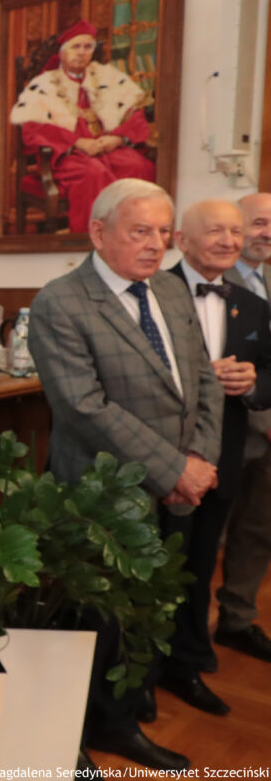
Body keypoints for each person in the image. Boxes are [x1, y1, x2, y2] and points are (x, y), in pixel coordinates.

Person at [28, 178, 222, 772]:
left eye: (164, 233)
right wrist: (173, 467)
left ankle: (118, 721)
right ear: (98, 232)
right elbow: (84, 407)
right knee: (97, 621)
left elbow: (203, 381)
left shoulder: (167, 290)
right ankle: (68, 735)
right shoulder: (60, 301)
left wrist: (199, 464)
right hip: (102, 494)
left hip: (177, 491)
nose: (156, 245)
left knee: (148, 612)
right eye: (141, 231)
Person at [162, 200, 271, 713]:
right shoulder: (152, 292)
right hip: (159, 455)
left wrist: (253, 384)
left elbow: (269, 374)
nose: (230, 240)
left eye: (235, 230)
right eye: (216, 231)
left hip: (222, 453)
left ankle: (187, 657)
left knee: (203, 560)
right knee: (159, 562)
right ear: (181, 239)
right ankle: (141, 666)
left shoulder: (252, 305)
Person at [9, 19, 156, 233]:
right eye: (75, 47)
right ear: (62, 52)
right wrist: (77, 142)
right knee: (93, 172)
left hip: (107, 148)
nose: (82, 52)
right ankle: (95, 238)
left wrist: (117, 138)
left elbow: (134, 114)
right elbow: (34, 128)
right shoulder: (44, 84)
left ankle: (134, 233)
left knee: (138, 166)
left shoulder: (108, 77)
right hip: (67, 154)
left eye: (87, 47)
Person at [216, 192, 271, 663]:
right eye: (257, 222)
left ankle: (236, 620)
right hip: (230, 430)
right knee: (205, 535)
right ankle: (178, 632)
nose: (266, 233)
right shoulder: (213, 279)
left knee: (259, 530)